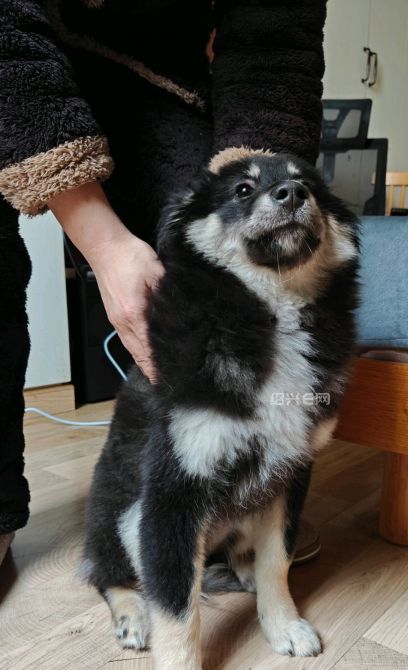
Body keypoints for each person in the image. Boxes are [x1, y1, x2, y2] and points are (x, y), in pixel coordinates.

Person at [0, 0, 327, 564]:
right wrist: (105, 245)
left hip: (151, 76)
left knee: (232, 261)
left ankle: (238, 497)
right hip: (14, 61)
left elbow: (274, 49)